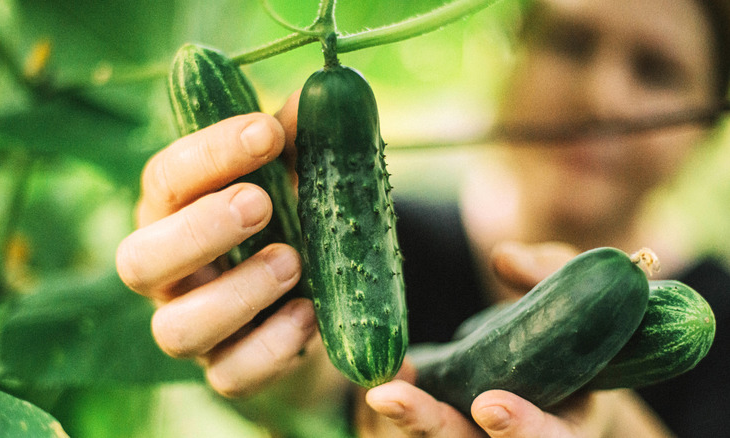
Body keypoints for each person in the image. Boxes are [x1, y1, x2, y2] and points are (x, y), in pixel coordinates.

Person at [115, 0, 730, 436]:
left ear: (709, 121)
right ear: (513, 51)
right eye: (571, 42)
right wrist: (277, 360)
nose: (603, 95)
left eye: (656, 69)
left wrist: (618, 425)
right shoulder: (379, 238)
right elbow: (325, 391)